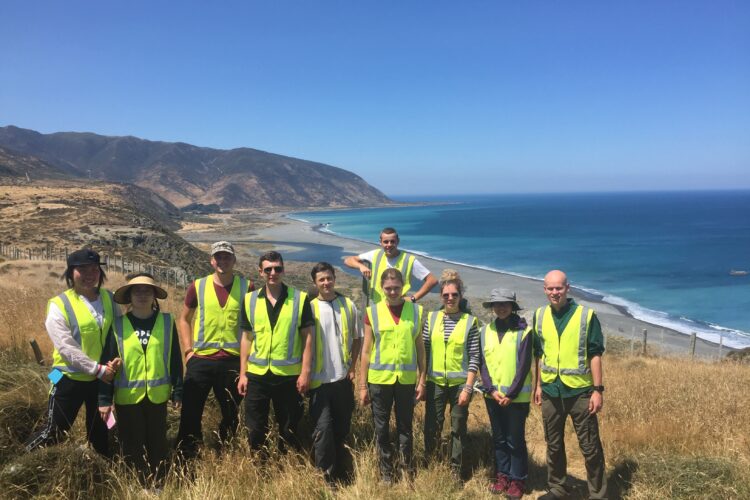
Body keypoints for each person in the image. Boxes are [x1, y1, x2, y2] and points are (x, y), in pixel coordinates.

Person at [25, 248, 119, 455]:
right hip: (66, 377)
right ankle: (21, 462)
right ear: (70, 273)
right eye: (82, 269)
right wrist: (98, 369)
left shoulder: (110, 299)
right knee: (54, 431)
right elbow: (66, 347)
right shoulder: (59, 305)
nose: (89, 275)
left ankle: (99, 476)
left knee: (100, 433)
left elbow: (117, 335)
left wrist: (113, 365)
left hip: (101, 380)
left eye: (94, 269)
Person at [98, 273, 183, 484]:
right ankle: (136, 484)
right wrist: (104, 400)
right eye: (137, 290)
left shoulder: (166, 321)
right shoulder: (118, 325)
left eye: (147, 290)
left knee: (157, 442)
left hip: (157, 396)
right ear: (129, 295)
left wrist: (178, 390)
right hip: (128, 398)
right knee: (132, 443)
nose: (142, 294)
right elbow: (107, 364)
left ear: (154, 295)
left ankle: (159, 484)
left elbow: (174, 358)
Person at [534, 270, 607, 500]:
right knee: (553, 445)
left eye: (559, 288)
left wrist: (597, 390)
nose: (555, 292)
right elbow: (538, 354)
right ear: (544, 290)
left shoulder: (586, 316)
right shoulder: (539, 315)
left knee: (590, 447)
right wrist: (537, 385)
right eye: (550, 288)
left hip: (580, 393)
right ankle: (557, 488)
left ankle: (598, 494)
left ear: (568, 288)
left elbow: (595, 354)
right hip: (550, 391)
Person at [176, 241, 252, 457]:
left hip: (232, 361)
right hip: (201, 360)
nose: (222, 261)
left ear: (234, 261)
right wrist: (188, 351)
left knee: (231, 413)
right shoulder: (197, 286)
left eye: (227, 257)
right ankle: (187, 453)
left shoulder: (247, 287)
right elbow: (184, 319)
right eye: (218, 257)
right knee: (191, 411)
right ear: (211, 260)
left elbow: (253, 326)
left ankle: (226, 451)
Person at [237, 251, 314, 455]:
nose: (273, 273)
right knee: (255, 428)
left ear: (283, 270)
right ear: (260, 272)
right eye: (268, 269)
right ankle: (259, 468)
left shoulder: (300, 299)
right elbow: (246, 338)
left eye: (277, 268)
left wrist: (305, 372)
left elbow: (308, 337)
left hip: (289, 377)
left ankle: (287, 468)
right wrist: (243, 373)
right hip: (257, 376)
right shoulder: (249, 300)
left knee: (289, 428)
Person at [359, 268, 427, 484]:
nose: (392, 292)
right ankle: (387, 472)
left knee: (405, 427)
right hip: (379, 381)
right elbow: (366, 351)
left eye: (396, 287)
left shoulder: (416, 312)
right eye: (388, 288)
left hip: (406, 381)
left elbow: (420, 348)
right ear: (381, 288)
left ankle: (407, 469)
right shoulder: (373, 312)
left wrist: (422, 379)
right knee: (382, 428)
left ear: (404, 286)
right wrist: (362, 385)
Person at [307, 262, 362, 483]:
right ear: (315, 283)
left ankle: (342, 472)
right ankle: (326, 479)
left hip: (342, 380)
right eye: (321, 280)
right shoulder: (309, 308)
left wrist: (352, 367)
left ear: (334, 279)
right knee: (323, 431)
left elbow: (358, 339)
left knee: (341, 429)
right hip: (318, 382)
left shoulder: (348, 305)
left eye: (329, 278)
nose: (326, 283)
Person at [422, 269, 480, 479]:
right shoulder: (432, 318)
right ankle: (431, 464)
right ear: (441, 296)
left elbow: (474, 357)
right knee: (432, 426)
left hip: (459, 386)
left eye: (454, 295)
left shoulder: (470, 322)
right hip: (435, 382)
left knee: (457, 428)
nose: (450, 298)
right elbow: (425, 351)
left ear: (460, 296)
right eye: (446, 295)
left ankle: (457, 471)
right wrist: (422, 381)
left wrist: (468, 387)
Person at [479, 289, 533, 499]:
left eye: (505, 304)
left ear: (512, 307)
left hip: (516, 398)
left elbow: (524, 367)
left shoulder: (524, 332)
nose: (501, 307)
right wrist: (491, 390)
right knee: (499, 439)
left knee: (515, 440)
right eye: (497, 304)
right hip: (492, 397)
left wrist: (510, 393)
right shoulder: (485, 331)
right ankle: (502, 476)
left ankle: (518, 479)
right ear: (492, 307)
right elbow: (483, 364)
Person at [344, 227, 437, 304]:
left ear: (398, 242)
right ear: (380, 242)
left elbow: (432, 280)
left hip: (399, 306)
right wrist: (361, 266)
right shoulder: (375, 254)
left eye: (392, 241)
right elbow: (348, 260)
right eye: (386, 242)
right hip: (377, 305)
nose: (389, 245)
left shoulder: (409, 260)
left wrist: (413, 298)